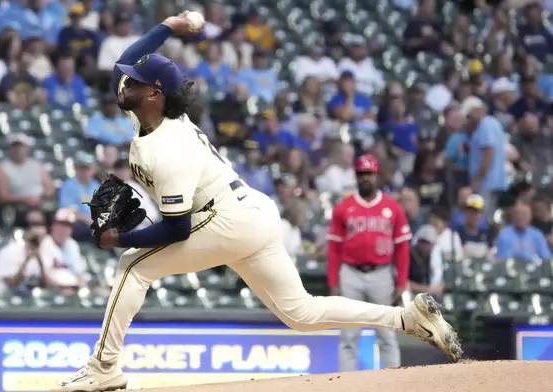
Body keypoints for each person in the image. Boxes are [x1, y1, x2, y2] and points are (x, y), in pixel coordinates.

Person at [52, 13, 462, 392]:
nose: (124, 84)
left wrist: (120, 238)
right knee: (300, 313)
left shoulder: (168, 148)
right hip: (252, 212)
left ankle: (104, 368)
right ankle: (406, 319)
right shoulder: (151, 114)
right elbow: (126, 60)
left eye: (134, 82)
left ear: (155, 94)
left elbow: (176, 229)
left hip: (226, 219)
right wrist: (169, 25)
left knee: (132, 266)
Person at [327, 154, 412, 371]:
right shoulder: (343, 208)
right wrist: (333, 281)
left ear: (377, 176)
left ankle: (393, 382)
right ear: (356, 176)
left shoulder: (393, 208)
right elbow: (334, 248)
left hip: (381, 273)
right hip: (351, 273)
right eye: (362, 174)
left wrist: (401, 280)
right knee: (348, 334)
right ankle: (345, 384)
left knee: (386, 333)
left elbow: (402, 248)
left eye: (370, 174)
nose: (366, 178)